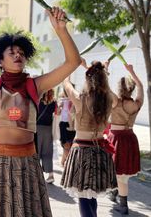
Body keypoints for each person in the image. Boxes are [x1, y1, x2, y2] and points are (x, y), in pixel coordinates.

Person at [0, 4, 81, 216]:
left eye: (21, 52)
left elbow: (73, 62)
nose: (17, 55)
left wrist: (61, 30)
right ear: (0, 61)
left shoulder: (35, 85)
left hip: (26, 163)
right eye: (11, 52)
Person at [61, 61, 117, 217]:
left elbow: (66, 83)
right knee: (91, 196)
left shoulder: (80, 98)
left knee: (84, 198)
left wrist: (76, 65)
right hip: (100, 151)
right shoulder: (109, 99)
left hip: (82, 152)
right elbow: (114, 97)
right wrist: (101, 71)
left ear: (87, 79)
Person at [107, 63, 143, 215]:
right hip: (130, 138)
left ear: (120, 88)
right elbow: (141, 86)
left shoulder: (116, 101)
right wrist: (132, 72)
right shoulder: (136, 104)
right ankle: (116, 193)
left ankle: (123, 205)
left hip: (117, 139)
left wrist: (106, 70)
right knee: (123, 173)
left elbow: (104, 87)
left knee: (120, 174)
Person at [36, 89, 57, 184]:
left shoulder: (38, 101)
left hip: (37, 128)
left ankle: (36, 175)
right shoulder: (54, 103)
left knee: (37, 152)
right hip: (48, 129)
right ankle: (51, 175)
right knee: (48, 152)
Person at [57, 88, 76, 166]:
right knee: (66, 144)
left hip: (71, 124)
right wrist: (59, 107)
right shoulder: (63, 101)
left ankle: (66, 163)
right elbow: (58, 113)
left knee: (69, 145)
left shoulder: (75, 100)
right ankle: (65, 163)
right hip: (65, 123)